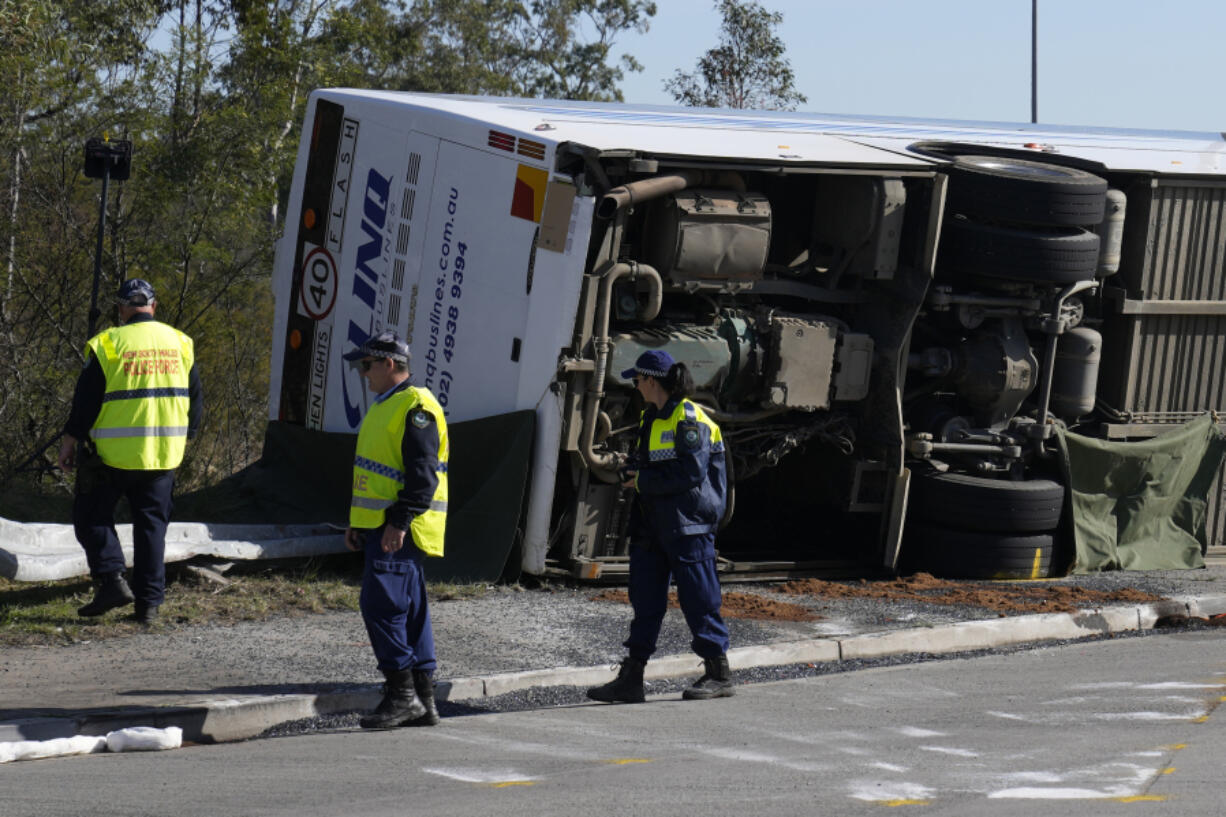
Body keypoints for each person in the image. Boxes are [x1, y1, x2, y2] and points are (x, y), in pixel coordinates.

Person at [587, 349, 733, 704]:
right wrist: (632, 467)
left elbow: (690, 473)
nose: (635, 387)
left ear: (651, 380)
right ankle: (632, 677)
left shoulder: (688, 418)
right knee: (646, 600)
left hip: (688, 526)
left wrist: (639, 481)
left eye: (637, 380)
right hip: (656, 526)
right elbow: (654, 463)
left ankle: (719, 674)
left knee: (699, 599)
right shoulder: (652, 418)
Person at [57, 278, 202, 625]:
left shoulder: (108, 344)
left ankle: (111, 580)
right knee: (152, 528)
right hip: (163, 454)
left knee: (90, 516)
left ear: (122, 309)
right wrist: (188, 435)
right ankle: (148, 606)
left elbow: (86, 402)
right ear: (153, 306)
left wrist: (69, 441)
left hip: (113, 455)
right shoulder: (180, 343)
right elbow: (195, 400)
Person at [342, 330, 448, 729]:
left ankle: (402, 695)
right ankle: (423, 699)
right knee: (411, 612)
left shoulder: (414, 407)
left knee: (382, 607)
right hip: (382, 526)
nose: (362, 373)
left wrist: (398, 522)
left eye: (366, 365)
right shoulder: (389, 405)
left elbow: (423, 476)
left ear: (389, 364)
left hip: (399, 529)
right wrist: (359, 522)